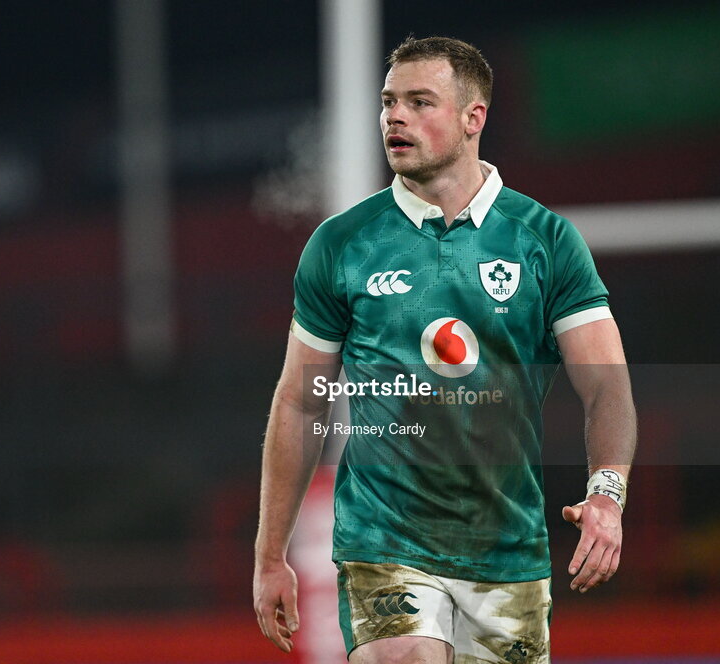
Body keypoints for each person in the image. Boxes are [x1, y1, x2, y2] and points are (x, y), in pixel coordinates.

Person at [254, 36, 636, 663]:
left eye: (419, 102)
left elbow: (606, 385)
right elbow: (300, 401)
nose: (395, 117)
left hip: (507, 548)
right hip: (383, 540)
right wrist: (271, 555)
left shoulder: (544, 241)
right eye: (388, 102)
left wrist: (607, 495)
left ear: (472, 118)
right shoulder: (342, 245)